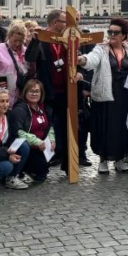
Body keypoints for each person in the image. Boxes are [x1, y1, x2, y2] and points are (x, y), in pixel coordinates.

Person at [80, 18, 128, 173]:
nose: (112, 35)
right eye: (110, 31)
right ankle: (103, 160)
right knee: (104, 126)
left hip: (125, 96)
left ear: (124, 35)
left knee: (122, 127)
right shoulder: (100, 49)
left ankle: (120, 159)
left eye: (116, 32)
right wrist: (82, 59)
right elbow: (91, 60)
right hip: (105, 95)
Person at [35, 10, 77, 172]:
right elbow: (31, 59)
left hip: (67, 91)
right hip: (47, 91)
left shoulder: (67, 38)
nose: (67, 25)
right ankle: (43, 164)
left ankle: (68, 163)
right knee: (45, 127)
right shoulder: (41, 38)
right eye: (64, 22)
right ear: (54, 22)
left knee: (67, 127)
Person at [11, 78, 55, 182]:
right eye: (31, 91)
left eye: (37, 91)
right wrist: (36, 141)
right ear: (25, 92)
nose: (34, 94)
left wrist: (52, 139)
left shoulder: (43, 107)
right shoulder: (20, 109)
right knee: (39, 167)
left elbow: (49, 126)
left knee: (42, 173)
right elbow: (18, 131)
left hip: (41, 146)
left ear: (41, 93)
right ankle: (19, 171)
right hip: (28, 145)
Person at [0, 22, 34, 103]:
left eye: (20, 41)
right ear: (9, 36)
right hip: (1, 97)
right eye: (14, 41)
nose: (17, 44)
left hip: (21, 97)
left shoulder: (26, 52)